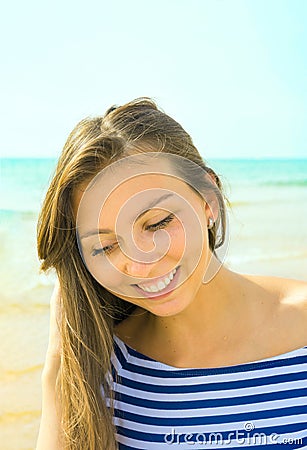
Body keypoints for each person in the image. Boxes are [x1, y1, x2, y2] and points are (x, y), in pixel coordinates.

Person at [36, 98, 307, 450]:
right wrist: (61, 358)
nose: (140, 262)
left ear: (208, 199)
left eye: (158, 222)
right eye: (105, 247)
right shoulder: (105, 368)